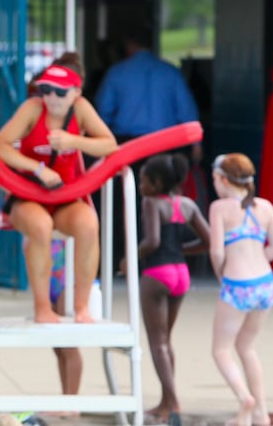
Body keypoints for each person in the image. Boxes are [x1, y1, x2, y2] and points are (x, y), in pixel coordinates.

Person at [0, 52, 118, 324]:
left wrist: (74, 141)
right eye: (46, 89)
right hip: (27, 196)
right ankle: (42, 308)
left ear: (75, 93)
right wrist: (37, 168)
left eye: (59, 92)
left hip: (64, 196)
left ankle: (82, 307)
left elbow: (110, 145)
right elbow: (0, 146)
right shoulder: (33, 109)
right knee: (40, 227)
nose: (51, 98)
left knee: (88, 224)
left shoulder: (81, 109)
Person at [94, 26, 201, 265]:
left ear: (129, 45)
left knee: (125, 201)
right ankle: (166, 256)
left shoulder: (117, 73)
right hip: (166, 147)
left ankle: (127, 254)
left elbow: (102, 115)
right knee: (169, 202)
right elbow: (187, 112)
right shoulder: (170, 73)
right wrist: (196, 145)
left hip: (128, 147)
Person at [120, 153, 209, 423]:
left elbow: (153, 241)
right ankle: (164, 401)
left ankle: (173, 404)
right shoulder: (188, 204)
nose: (140, 186)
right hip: (180, 273)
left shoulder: (151, 203)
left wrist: (129, 258)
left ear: (157, 183)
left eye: (143, 180)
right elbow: (208, 240)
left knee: (157, 343)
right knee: (166, 341)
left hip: (157, 273)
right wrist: (181, 250)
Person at [208, 153, 273, 426]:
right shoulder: (265, 207)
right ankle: (261, 413)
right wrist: (258, 260)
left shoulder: (219, 208)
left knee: (221, 350)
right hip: (264, 284)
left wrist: (222, 274)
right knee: (247, 347)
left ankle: (244, 398)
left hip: (237, 284)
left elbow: (217, 251)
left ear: (223, 180)